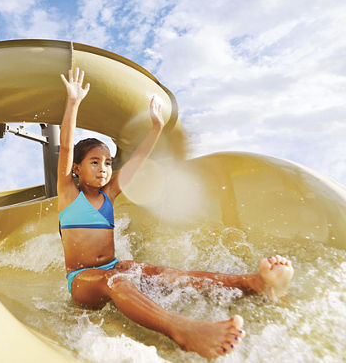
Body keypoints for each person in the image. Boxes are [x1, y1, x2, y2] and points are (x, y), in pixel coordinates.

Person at [57, 68, 295, 359]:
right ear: (76, 168)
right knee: (115, 282)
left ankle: (252, 283)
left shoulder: (110, 194)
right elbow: (67, 144)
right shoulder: (68, 194)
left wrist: (156, 128)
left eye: (107, 162)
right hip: (83, 279)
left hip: (113, 264)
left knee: (161, 273)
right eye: (94, 162)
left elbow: (138, 159)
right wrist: (73, 103)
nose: (103, 168)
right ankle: (182, 330)